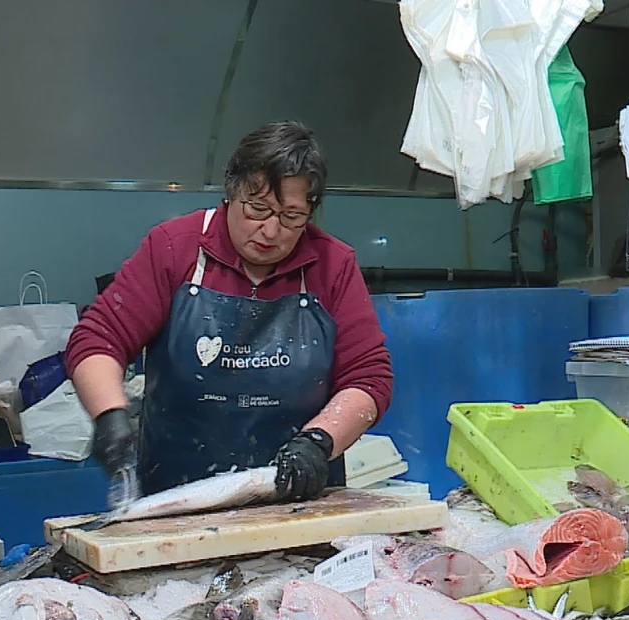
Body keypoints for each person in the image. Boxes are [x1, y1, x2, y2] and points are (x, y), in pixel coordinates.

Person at [66, 121, 393, 502]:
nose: (270, 231)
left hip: (298, 500)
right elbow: (99, 338)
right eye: (258, 209)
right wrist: (109, 416)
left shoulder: (333, 264)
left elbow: (369, 376)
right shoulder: (174, 248)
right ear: (231, 190)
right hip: (177, 496)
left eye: (291, 216)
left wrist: (318, 442)